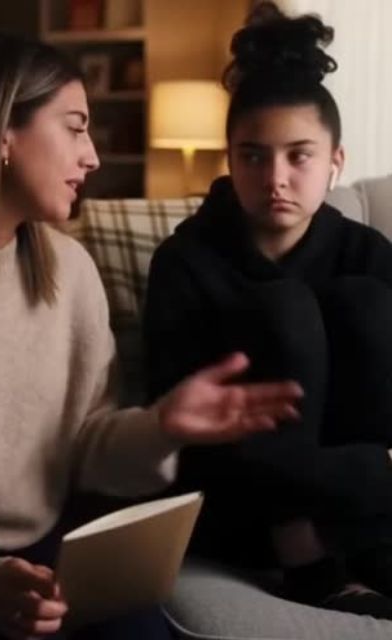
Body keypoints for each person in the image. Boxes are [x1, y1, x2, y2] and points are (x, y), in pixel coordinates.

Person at [0, 32, 303, 640]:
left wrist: (161, 426)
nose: (93, 158)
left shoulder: (69, 270)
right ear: (1, 134)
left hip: (47, 555)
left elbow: (85, 444)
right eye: (75, 128)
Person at [144, 1, 392, 621]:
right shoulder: (185, 260)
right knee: (284, 307)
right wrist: (373, 471)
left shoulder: (366, 252)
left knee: (363, 302)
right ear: (229, 158)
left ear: (335, 161)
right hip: (237, 502)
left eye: (298, 155)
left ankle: (364, 549)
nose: (275, 177)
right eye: (253, 156)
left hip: (360, 514)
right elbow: (174, 429)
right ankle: (306, 558)